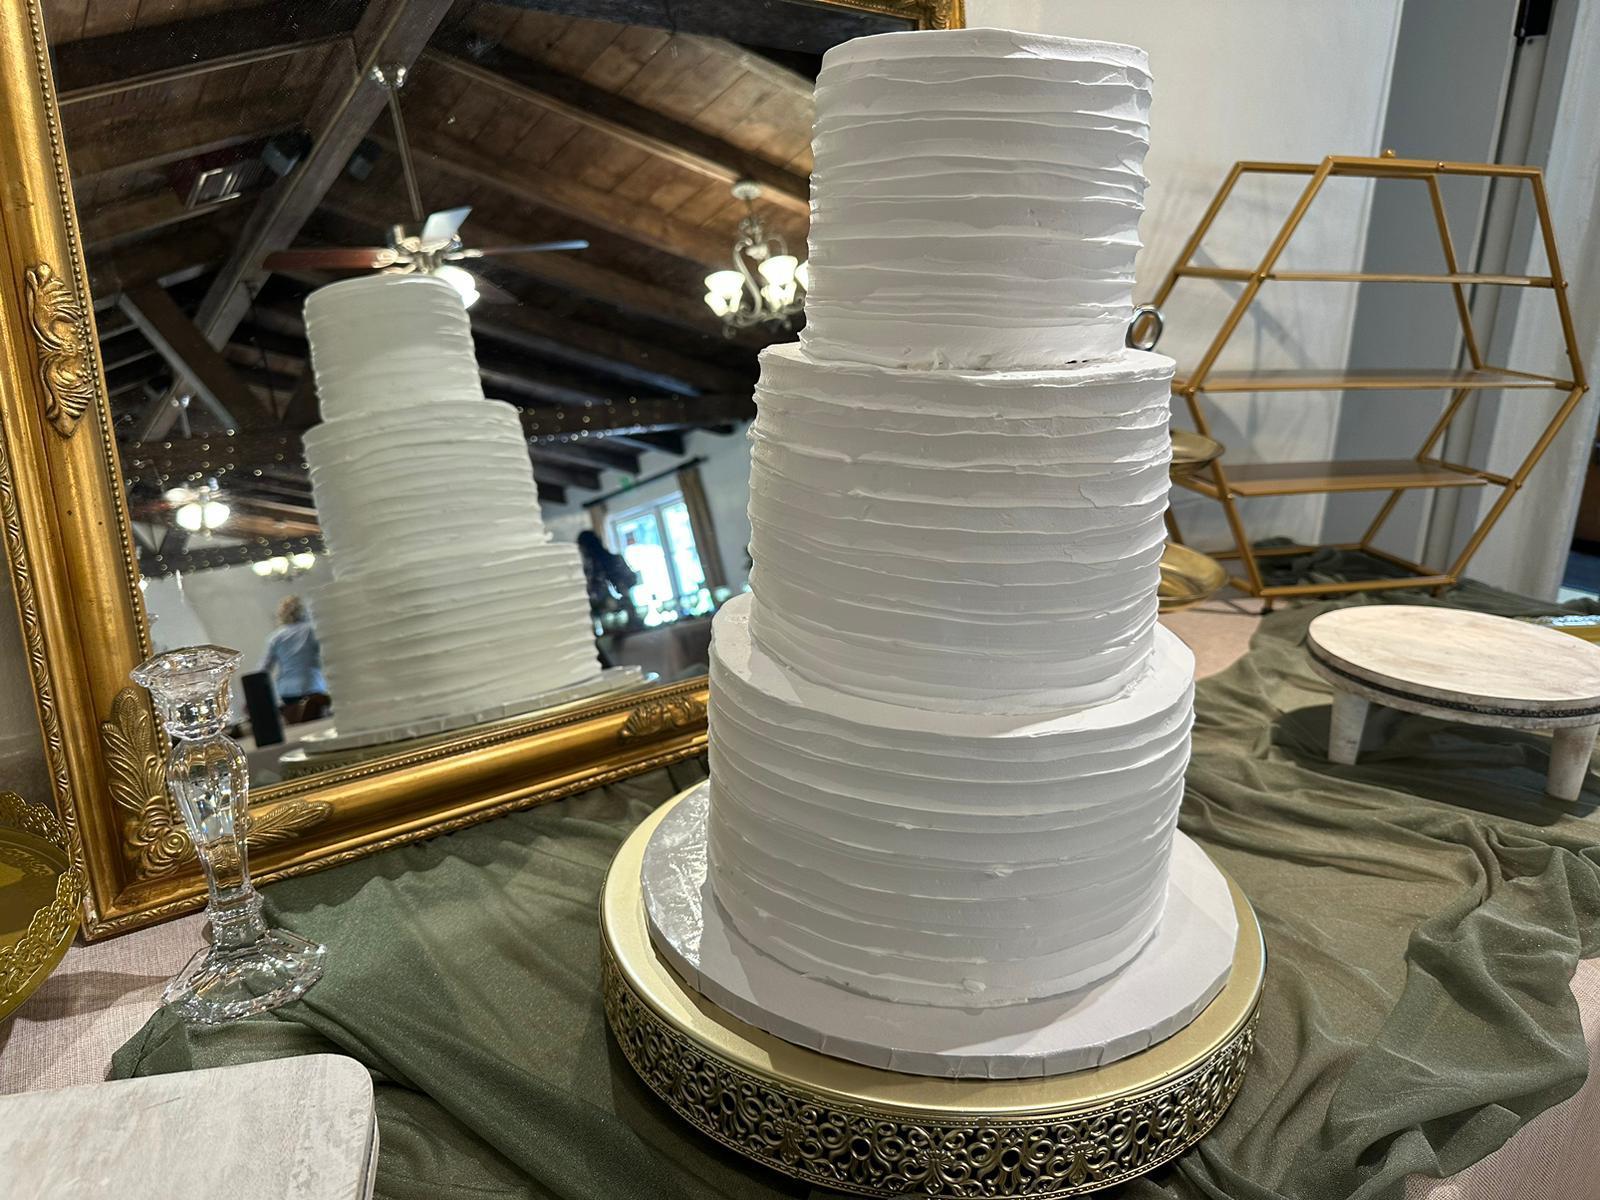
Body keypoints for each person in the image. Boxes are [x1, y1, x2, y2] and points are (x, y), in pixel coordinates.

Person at [260, 595, 330, 724]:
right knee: (318, 723)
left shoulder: (275, 638)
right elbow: (327, 654)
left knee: (297, 723)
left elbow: (264, 669)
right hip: (312, 685)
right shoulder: (312, 630)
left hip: (287, 691)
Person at [577, 530, 638, 618]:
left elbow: (632, 579)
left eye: (581, 548)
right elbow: (632, 579)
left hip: (608, 615)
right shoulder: (614, 560)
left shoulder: (589, 570)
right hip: (620, 612)